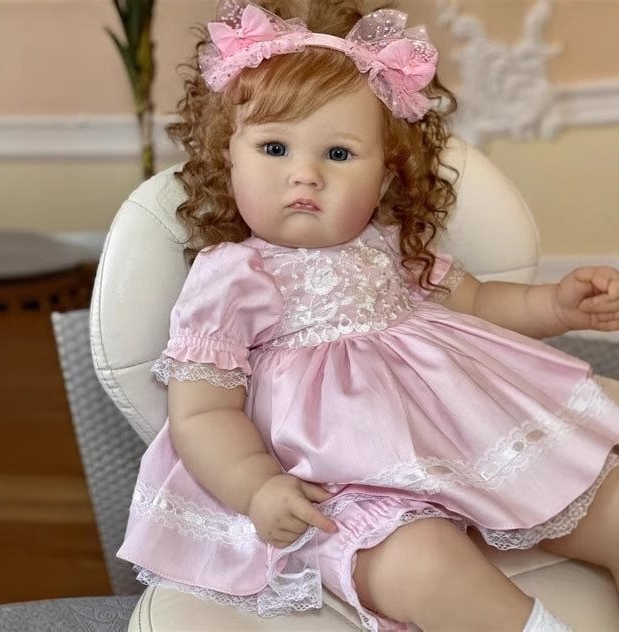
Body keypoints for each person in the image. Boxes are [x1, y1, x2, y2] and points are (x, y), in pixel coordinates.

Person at [117, 1, 619, 630]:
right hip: (344, 482)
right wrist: (256, 485)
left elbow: (478, 303)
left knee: (612, 504)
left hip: (465, 439)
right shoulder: (232, 276)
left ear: (383, 179)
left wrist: (555, 305)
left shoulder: (389, 247)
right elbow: (203, 411)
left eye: (338, 153)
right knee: (425, 568)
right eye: (274, 147)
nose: (305, 175)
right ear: (229, 160)